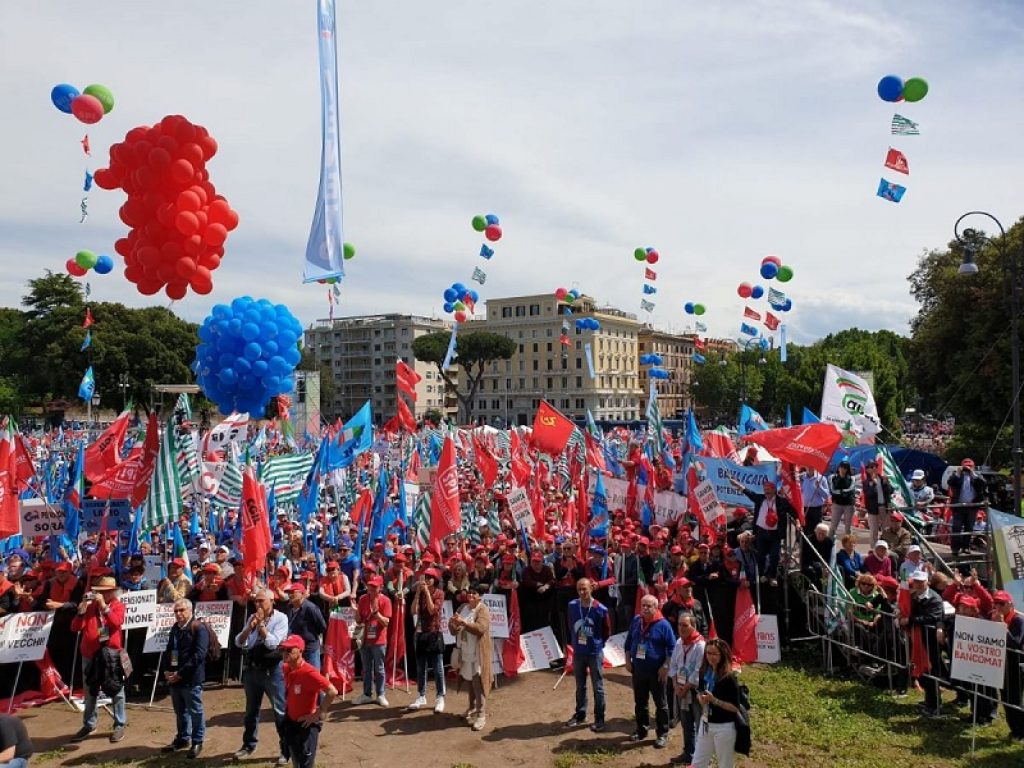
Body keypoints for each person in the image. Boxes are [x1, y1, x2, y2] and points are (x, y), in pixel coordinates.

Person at [234, 589, 289, 765]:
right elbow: (240, 642)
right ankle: (248, 745)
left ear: (272, 601)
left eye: (261, 601)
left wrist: (262, 627)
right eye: (255, 601)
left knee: (280, 711)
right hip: (252, 670)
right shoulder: (252, 618)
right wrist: (250, 627)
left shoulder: (281, 618)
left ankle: (286, 750)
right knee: (251, 711)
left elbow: (274, 643)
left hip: (272, 671)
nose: (257, 605)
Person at [70, 575, 127, 744]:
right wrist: (80, 612)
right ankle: (89, 724)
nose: (101, 595)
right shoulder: (90, 607)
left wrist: (104, 607)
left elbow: (116, 622)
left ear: (112, 592)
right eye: (99, 592)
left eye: (105, 592)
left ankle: (120, 724)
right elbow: (74, 628)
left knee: (116, 689)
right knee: (90, 691)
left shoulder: (117, 605)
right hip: (90, 654)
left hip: (111, 654)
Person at [624, 595, 675, 748]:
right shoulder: (636, 621)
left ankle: (662, 734)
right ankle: (641, 730)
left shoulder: (663, 624)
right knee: (640, 702)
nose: (645, 609)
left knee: (661, 704)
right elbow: (627, 643)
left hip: (656, 672)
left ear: (656, 607)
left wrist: (665, 666)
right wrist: (627, 661)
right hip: (638, 670)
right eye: (643, 605)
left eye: (649, 606)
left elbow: (672, 648)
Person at [160, 599, 209, 759]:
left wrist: (180, 673)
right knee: (180, 711)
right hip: (175, 677)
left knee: (195, 711)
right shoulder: (175, 628)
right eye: (176, 611)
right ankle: (182, 738)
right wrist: (167, 670)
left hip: (191, 678)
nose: (178, 614)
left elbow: (199, 655)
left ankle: (197, 741)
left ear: (190, 610)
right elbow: (169, 650)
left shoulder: (198, 628)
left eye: (181, 610)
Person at [279, 634, 337, 768]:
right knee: (296, 760)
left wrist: (318, 713)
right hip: (292, 722)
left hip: (307, 725)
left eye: (289, 650)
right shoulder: (287, 668)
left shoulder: (309, 672)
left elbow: (332, 691)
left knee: (306, 763)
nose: (285, 653)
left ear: (300, 651)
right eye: (283, 649)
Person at [564, 578, 611, 732]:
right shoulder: (572, 606)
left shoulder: (600, 609)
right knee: (580, 685)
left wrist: (598, 644)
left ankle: (599, 718)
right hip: (579, 652)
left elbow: (606, 631)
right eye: (579, 589)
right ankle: (580, 714)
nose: (582, 592)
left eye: (585, 589)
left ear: (591, 588)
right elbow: (571, 626)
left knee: (598, 686)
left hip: (594, 653)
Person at [730, 478, 795, 587]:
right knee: (761, 556)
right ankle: (762, 575)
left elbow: (792, 511)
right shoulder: (760, 499)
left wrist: (797, 522)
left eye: (768, 489)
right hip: (761, 532)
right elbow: (749, 493)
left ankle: (772, 576)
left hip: (775, 533)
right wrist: (737, 485)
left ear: (774, 490)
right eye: (764, 489)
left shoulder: (781, 501)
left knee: (775, 556)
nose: (766, 491)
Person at [691, 638, 743, 768]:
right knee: (697, 763)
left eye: (714, 654)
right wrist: (700, 698)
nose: (711, 657)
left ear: (722, 655)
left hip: (724, 728)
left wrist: (714, 700)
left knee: (725, 765)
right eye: (708, 653)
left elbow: (734, 708)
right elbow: (700, 691)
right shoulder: (704, 672)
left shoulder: (729, 678)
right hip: (706, 723)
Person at [900, 571, 945, 717]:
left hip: (931, 642)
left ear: (927, 582)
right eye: (916, 582)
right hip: (919, 640)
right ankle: (929, 700)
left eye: (921, 582)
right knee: (923, 673)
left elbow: (934, 616)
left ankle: (935, 705)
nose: (918, 584)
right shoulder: (913, 596)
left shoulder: (935, 598)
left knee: (932, 673)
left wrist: (911, 620)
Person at [449, 586, 492, 732]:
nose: (471, 595)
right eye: (469, 593)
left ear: (480, 596)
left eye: (475, 593)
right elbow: (452, 627)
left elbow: (481, 628)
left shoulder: (483, 609)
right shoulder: (462, 607)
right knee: (468, 679)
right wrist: (454, 624)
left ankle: (481, 715)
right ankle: (472, 707)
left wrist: (464, 623)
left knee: (478, 682)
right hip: (465, 651)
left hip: (478, 652)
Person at [668, 612, 705, 766]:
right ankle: (688, 753)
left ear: (693, 626)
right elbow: (674, 665)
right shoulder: (679, 642)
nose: (681, 628)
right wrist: (676, 685)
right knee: (686, 723)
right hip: (681, 689)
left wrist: (687, 687)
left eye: (685, 625)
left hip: (695, 691)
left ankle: (699, 758)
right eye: (679, 625)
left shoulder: (700, 645)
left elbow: (698, 670)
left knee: (698, 724)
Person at [406, 568, 446, 713]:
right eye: (426, 577)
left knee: (438, 667)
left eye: (430, 578)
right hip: (420, 633)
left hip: (434, 633)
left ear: (435, 580)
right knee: (420, 667)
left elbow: (431, 610)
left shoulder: (439, 593)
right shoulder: (420, 593)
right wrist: (417, 593)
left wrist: (427, 593)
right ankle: (421, 695)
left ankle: (440, 696)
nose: (427, 580)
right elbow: (413, 611)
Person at [353, 575, 391, 706]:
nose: (371, 589)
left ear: (380, 588)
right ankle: (367, 694)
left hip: (379, 640)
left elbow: (386, 623)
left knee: (379, 668)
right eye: (370, 586)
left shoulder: (385, 600)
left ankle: (381, 694)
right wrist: (355, 612)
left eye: (374, 587)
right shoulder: (363, 599)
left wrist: (378, 615)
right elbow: (358, 620)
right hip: (364, 639)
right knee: (367, 668)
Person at [946, 459, 988, 558]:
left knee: (969, 527)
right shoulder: (957, 475)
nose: (967, 468)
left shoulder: (977, 476)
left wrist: (972, 473)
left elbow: (983, 483)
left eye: (969, 466)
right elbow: (950, 482)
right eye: (966, 466)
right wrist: (958, 473)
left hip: (972, 506)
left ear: (973, 466)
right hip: (959, 506)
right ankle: (955, 548)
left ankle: (966, 547)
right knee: (956, 527)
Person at [283, 582, 327, 669]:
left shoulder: (311, 608)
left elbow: (322, 627)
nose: (290, 595)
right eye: (289, 593)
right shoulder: (290, 608)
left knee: (312, 677)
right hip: (295, 650)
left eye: (293, 592)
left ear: (302, 594)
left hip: (310, 649)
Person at [862, 463, 893, 544]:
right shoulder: (866, 482)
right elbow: (868, 494)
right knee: (874, 530)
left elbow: (890, 491)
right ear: (867, 470)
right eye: (871, 467)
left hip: (884, 507)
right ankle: (873, 548)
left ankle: (887, 547)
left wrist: (886, 483)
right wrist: (874, 484)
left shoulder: (883, 479)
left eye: (876, 466)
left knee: (886, 529)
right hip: (873, 509)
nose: (874, 468)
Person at [828, 460, 857, 537]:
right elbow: (832, 491)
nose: (843, 469)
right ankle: (829, 545)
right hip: (837, 504)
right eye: (841, 467)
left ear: (847, 469)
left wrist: (840, 492)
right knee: (833, 527)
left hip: (849, 505)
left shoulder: (852, 478)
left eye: (845, 468)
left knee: (848, 528)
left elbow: (850, 491)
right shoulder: (832, 477)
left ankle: (849, 546)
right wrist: (842, 492)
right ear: (838, 467)